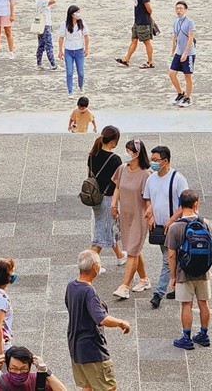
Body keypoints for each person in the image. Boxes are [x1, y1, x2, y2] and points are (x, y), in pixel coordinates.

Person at [65, 250, 131, 391]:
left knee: (88, 386)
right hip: (92, 348)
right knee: (108, 387)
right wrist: (121, 322)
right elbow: (102, 319)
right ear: (95, 267)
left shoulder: (71, 286)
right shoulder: (89, 292)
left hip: (76, 346)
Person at [165, 189, 212, 350]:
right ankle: (204, 335)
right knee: (203, 303)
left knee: (186, 304)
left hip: (184, 272)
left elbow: (171, 255)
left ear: (180, 205)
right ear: (195, 204)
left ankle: (186, 337)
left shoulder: (174, 228)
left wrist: (172, 276)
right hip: (203, 272)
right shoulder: (204, 223)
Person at [143, 145, 188, 309]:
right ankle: (179, 286)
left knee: (167, 260)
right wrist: (151, 214)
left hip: (174, 228)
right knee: (173, 258)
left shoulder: (178, 179)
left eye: (155, 160)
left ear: (165, 161)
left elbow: (185, 204)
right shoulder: (151, 179)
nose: (152, 163)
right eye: (151, 160)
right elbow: (147, 198)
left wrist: (171, 220)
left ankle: (158, 293)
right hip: (159, 228)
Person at [109, 139, 151, 300]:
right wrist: (113, 205)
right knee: (133, 249)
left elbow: (148, 198)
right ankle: (144, 279)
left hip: (140, 217)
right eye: (126, 150)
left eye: (130, 151)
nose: (127, 154)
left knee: (132, 251)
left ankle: (124, 286)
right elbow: (117, 187)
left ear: (138, 154)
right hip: (125, 215)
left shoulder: (146, 175)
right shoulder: (122, 169)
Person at [87, 127, 125, 264]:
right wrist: (116, 204)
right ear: (114, 141)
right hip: (108, 198)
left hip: (94, 197)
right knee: (101, 232)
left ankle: (120, 256)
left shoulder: (92, 154)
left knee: (106, 226)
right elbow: (119, 185)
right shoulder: (115, 160)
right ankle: (91, 264)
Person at [0, 346, 67, 391]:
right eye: (13, 368)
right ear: (8, 367)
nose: (18, 373)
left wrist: (46, 372)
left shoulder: (37, 381)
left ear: (30, 367)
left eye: (23, 369)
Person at [115, 0, 155, 68]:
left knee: (146, 41)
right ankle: (127, 59)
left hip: (143, 22)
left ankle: (150, 62)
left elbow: (149, 9)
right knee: (134, 40)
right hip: (137, 22)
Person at [168, 1, 196, 108]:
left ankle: (188, 98)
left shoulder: (190, 22)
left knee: (187, 76)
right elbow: (175, 37)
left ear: (185, 10)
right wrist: (172, 52)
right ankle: (180, 93)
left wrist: (185, 53)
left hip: (188, 53)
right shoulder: (175, 21)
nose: (178, 11)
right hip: (178, 52)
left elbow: (190, 38)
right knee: (172, 73)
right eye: (177, 9)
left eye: (181, 8)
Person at [58, 5, 90, 96]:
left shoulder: (82, 23)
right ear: (72, 14)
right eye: (77, 12)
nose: (79, 14)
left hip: (79, 50)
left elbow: (86, 36)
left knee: (81, 72)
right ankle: (70, 91)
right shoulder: (64, 24)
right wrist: (60, 51)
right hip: (69, 51)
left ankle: (81, 86)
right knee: (69, 72)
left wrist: (87, 48)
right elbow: (61, 38)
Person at [35, 0, 58, 71]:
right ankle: (53, 64)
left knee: (41, 45)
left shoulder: (39, 0)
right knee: (49, 45)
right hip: (45, 25)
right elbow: (54, 0)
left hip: (41, 25)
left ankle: (39, 64)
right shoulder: (42, 1)